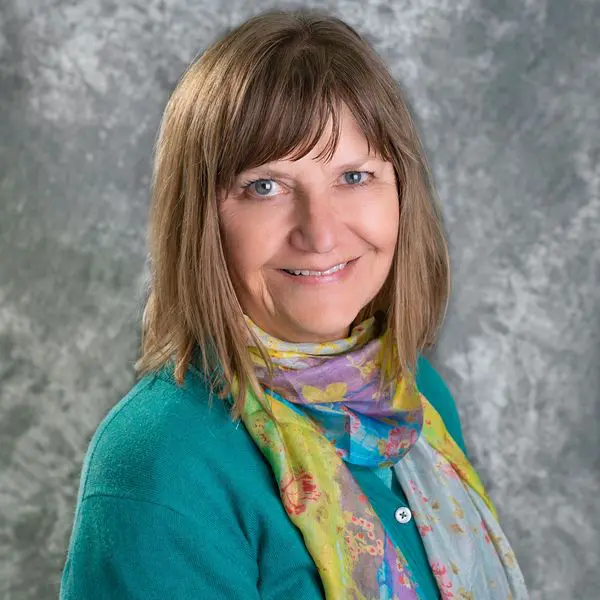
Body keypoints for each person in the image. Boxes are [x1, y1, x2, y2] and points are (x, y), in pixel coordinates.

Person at [60, 9, 528, 600]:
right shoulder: (161, 465)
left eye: (354, 177)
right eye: (266, 186)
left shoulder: (416, 394)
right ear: (202, 222)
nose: (321, 232)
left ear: (401, 190)